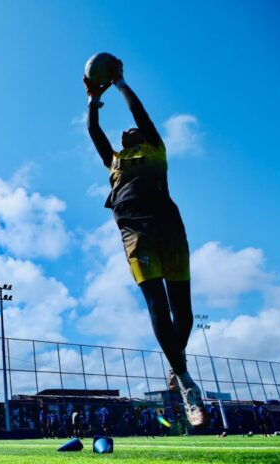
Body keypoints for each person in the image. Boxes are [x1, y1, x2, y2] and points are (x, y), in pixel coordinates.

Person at [83, 57, 207, 428]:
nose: (125, 133)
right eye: (123, 134)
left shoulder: (155, 149)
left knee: (182, 312)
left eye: (131, 130)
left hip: (169, 227)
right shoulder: (115, 162)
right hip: (135, 234)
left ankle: (176, 362)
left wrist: (120, 84)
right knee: (156, 303)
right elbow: (94, 132)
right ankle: (186, 383)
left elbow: (140, 114)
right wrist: (93, 99)